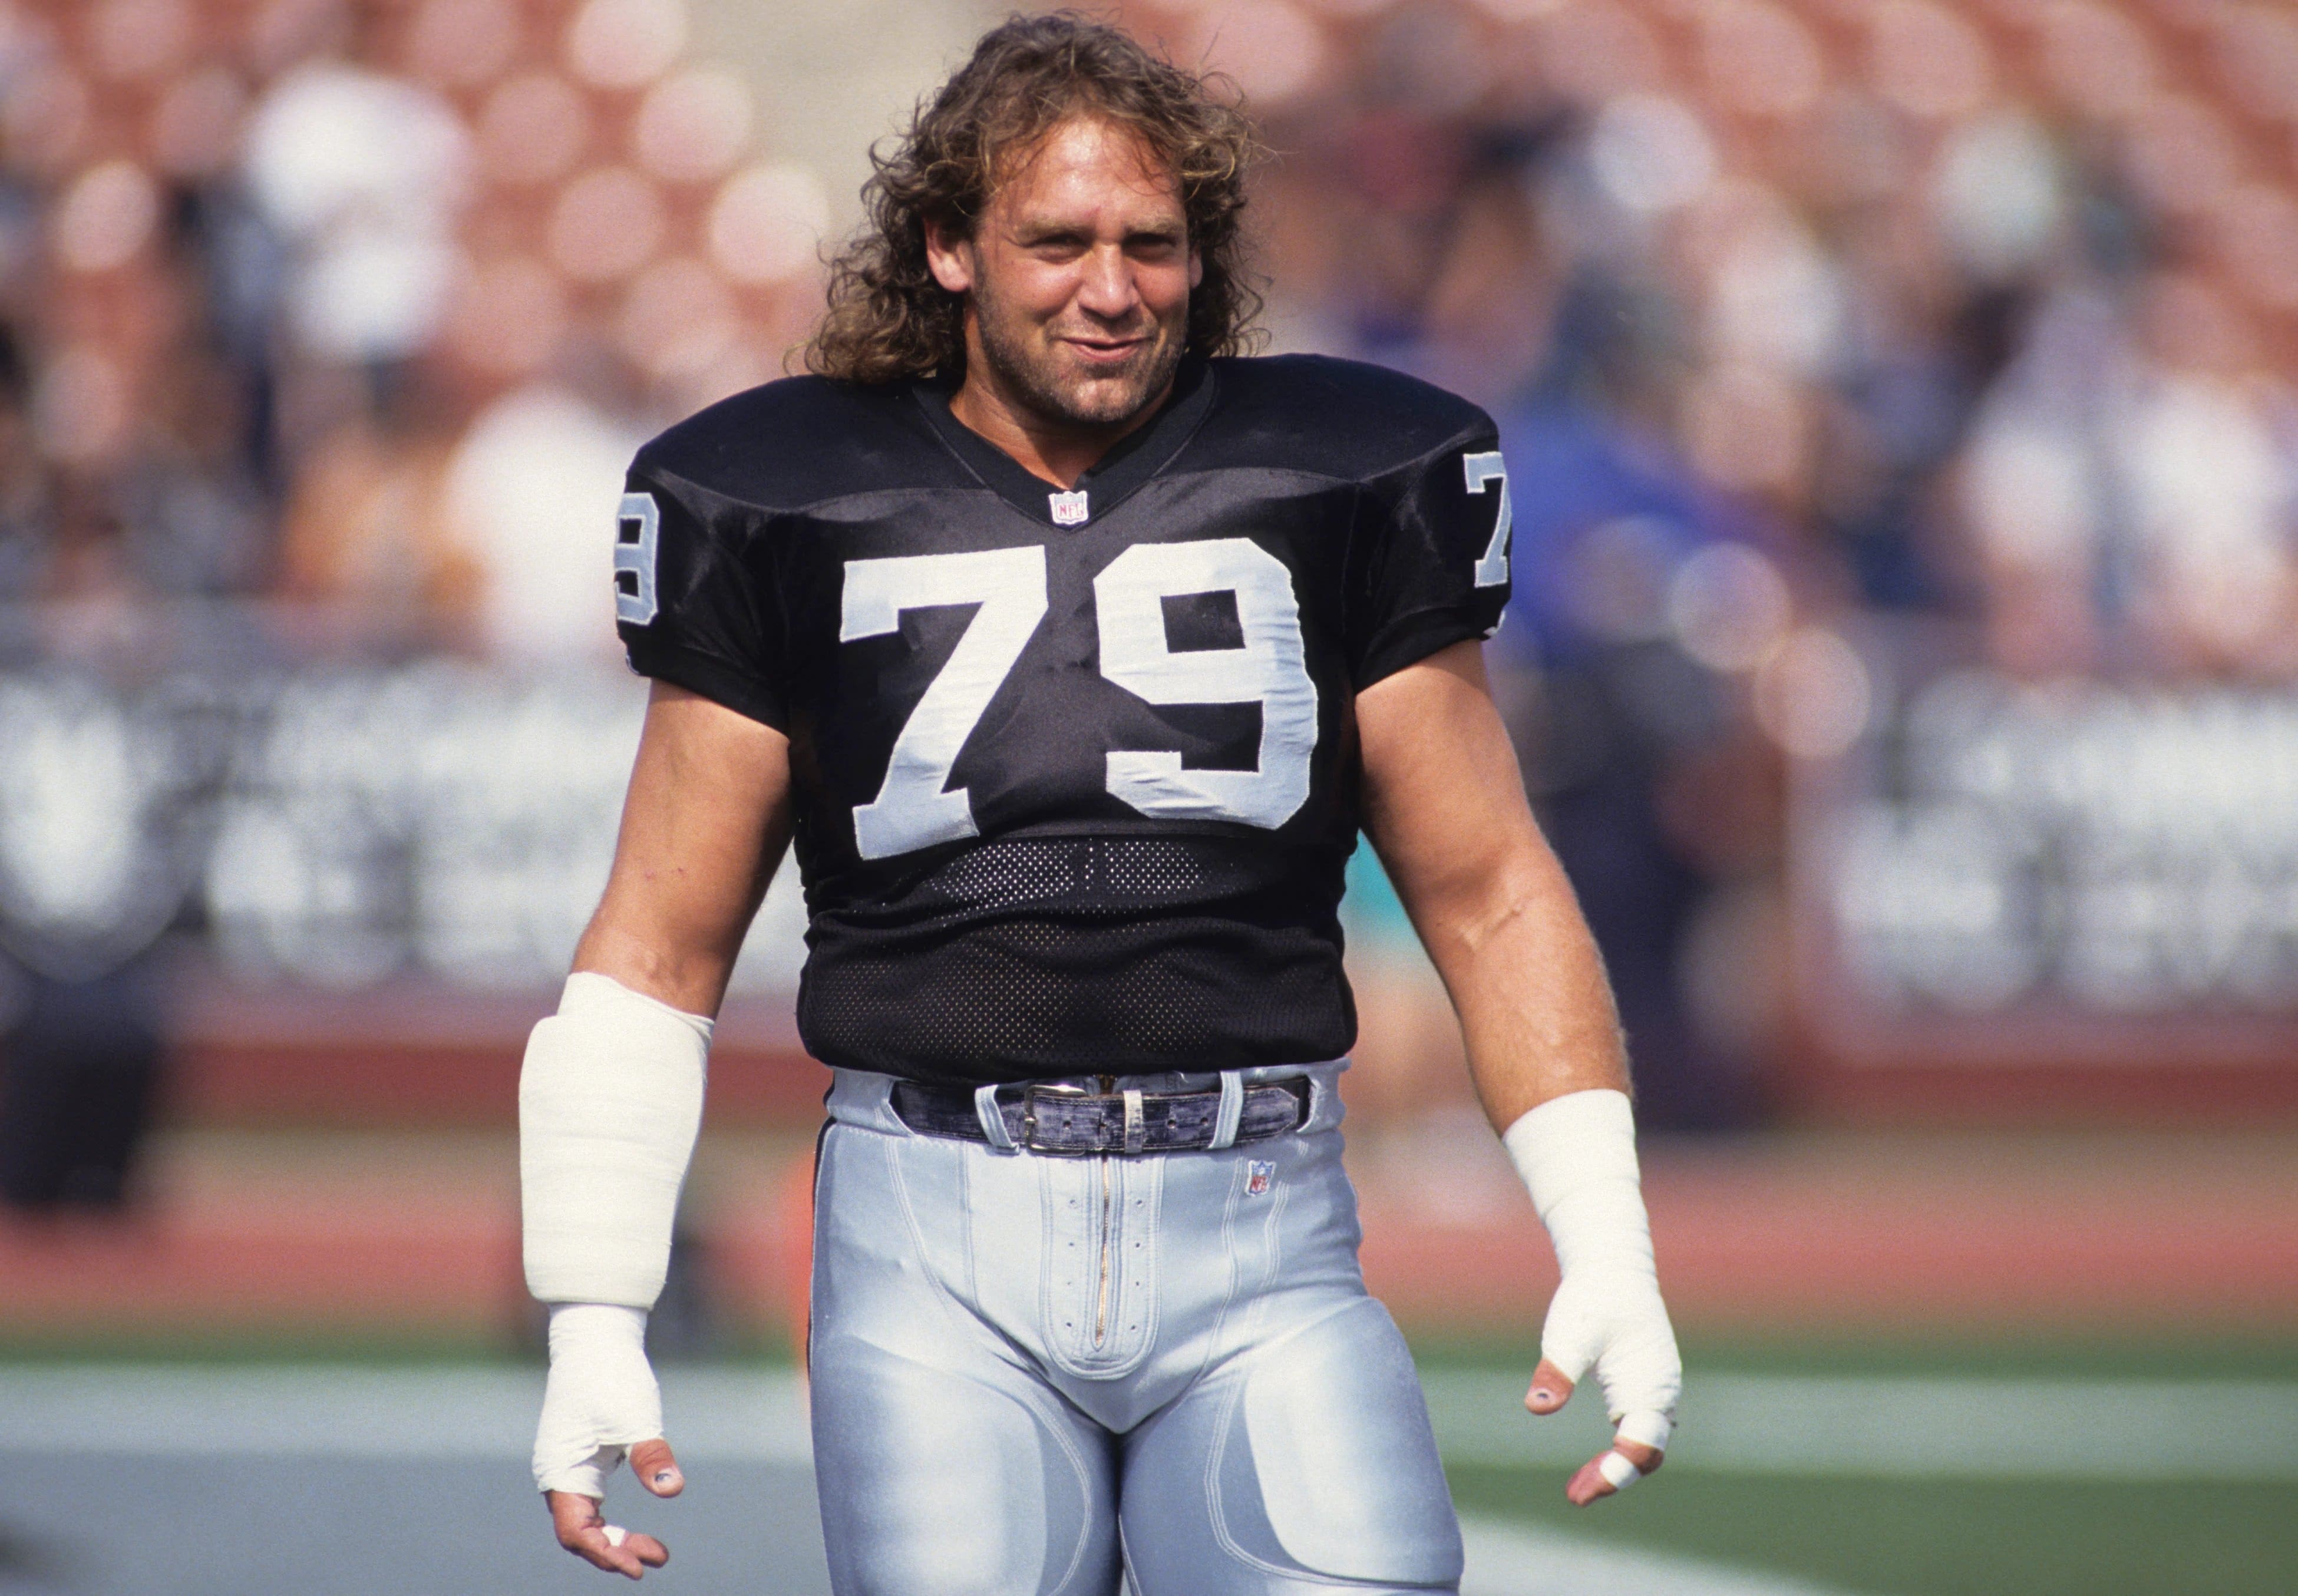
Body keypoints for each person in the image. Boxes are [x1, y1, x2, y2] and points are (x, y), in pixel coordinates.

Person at [519, 16, 1680, 1593]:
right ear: (947, 247)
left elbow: (1483, 883)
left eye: (1151, 241)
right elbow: (658, 942)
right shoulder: (776, 493)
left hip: (1259, 1219)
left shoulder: (1344, 467)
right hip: (935, 1230)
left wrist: (1601, 1229)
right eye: (1056, 240)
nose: (1110, 286)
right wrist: (593, 1307)